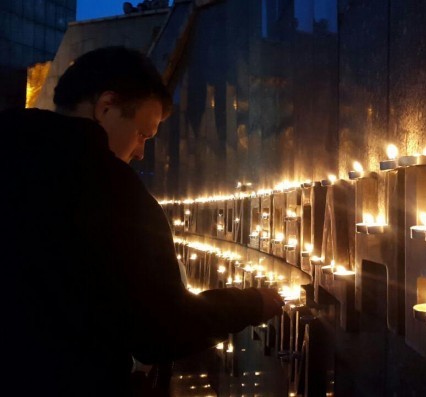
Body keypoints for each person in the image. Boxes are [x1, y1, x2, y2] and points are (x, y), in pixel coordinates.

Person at [0, 46, 283, 396]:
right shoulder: (111, 190)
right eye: (142, 134)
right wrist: (252, 303)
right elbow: (160, 330)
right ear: (106, 107)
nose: (140, 152)